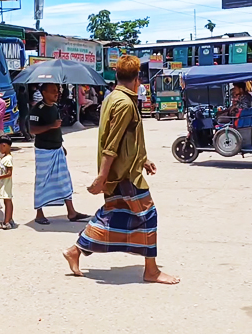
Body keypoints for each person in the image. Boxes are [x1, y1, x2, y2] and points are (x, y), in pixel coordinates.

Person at [63, 55, 180, 285]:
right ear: (138, 79)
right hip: (124, 175)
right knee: (148, 216)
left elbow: (129, 137)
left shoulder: (112, 97)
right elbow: (113, 142)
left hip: (122, 171)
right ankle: (151, 271)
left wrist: (143, 159)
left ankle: (75, 250)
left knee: (113, 215)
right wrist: (102, 177)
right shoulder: (125, 103)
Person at [29, 83, 89, 225]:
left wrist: (61, 145)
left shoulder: (55, 107)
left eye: (57, 91)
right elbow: (32, 130)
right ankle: (39, 213)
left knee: (64, 180)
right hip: (43, 151)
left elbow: (56, 129)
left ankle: (71, 212)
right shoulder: (37, 109)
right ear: (44, 92)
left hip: (57, 149)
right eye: (53, 92)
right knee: (42, 181)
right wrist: (51, 126)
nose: (57, 94)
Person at [0, 134, 15, 229]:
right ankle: (9, 219)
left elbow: (9, 173)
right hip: (3, 184)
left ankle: (7, 221)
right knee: (7, 201)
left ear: (4, 145)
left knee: (7, 202)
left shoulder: (8, 159)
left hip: (6, 184)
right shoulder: (5, 158)